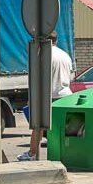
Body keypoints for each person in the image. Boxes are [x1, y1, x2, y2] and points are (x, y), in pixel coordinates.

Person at [19, 31, 73, 161]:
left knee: (38, 126)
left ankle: (32, 154)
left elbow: (38, 78)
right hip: (65, 95)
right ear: (56, 40)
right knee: (66, 128)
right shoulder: (65, 56)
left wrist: (32, 97)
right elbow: (70, 76)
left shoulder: (43, 55)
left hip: (48, 97)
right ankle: (68, 153)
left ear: (44, 40)